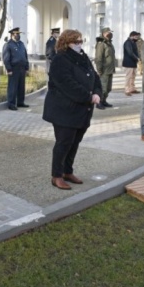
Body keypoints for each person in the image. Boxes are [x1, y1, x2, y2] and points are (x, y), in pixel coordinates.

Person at [43, 29, 102, 190]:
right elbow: (67, 84)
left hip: (82, 110)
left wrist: (97, 92)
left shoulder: (83, 57)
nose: (79, 44)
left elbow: (95, 77)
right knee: (64, 143)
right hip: (64, 111)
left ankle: (67, 171)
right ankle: (56, 175)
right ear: (66, 43)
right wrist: (89, 97)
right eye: (76, 42)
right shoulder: (60, 59)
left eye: (81, 41)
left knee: (75, 142)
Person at [3, 27, 29, 110]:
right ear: (12, 35)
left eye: (18, 34)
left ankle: (20, 102)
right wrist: (9, 69)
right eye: (16, 34)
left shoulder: (21, 44)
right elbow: (6, 58)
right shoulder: (8, 44)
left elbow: (25, 55)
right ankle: (11, 103)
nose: (18, 35)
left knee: (21, 86)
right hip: (14, 68)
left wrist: (26, 66)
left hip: (22, 67)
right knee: (13, 86)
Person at [94, 27, 116, 109]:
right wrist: (99, 69)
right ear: (103, 33)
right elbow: (98, 58)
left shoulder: (109, 43)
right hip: (104, 70)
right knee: (103, 87)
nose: (110, 34)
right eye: (108, 32)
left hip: (110, 69)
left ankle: (104, 100)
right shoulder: (101, 44)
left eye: (110, 32)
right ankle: (99, 102)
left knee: (108, 88)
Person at [122, 31, 140, 96]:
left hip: (133, 63)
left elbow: (136, 52)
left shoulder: (133, 43)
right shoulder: (127, 43)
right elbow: (130, 53)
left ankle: (132, 88)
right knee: (128, 77)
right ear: (132, 36)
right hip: (128, 63)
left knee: (133, 76)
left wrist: (138, 57)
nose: (137, 38)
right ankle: (127, 89)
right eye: (136, 36)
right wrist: (137, 58)